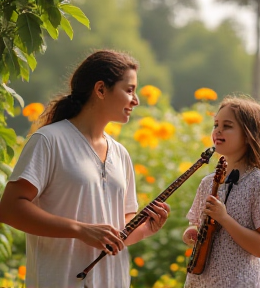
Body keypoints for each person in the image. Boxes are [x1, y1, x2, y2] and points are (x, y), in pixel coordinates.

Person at [0, 49, 170, 288]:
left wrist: (146, 228)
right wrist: (79, 230)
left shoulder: (121, 154)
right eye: (129, 90)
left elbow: (119, 230)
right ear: (100, 90)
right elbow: (9, 208)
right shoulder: (49, 141)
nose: (136, 100)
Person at [182, 95, 260, 288]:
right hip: (202, 282)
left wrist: (224, 218)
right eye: (215, 124)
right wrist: (191, 232)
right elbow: (197, 225)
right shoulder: (207, 182)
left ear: (249, 134)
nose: (218, 130)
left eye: (227, 126)